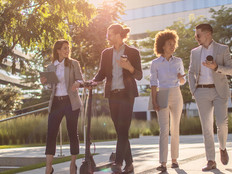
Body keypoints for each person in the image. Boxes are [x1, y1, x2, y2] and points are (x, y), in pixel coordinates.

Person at [92, 24, 142, 174]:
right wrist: (92, 82)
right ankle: (130, 164)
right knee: (120, 131)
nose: (108, 37)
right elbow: (101, 73)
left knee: (123, 129)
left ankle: (118, 163)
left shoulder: (133, 52)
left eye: (110, 34)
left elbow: (139, 75)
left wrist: (129, 67)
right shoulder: (106, 53)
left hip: (127, 95)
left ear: (119, 35)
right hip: (112, 95)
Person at [188, 23, 232, 171]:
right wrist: (194, 90)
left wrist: (216, 68)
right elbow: (191, 72)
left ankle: (223, 147)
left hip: (220, 91)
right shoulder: (194, 52)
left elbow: (231, 70)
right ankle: (211, 160)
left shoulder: (223, 49)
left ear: (208, 34)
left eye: (198, 34)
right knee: (206, 127)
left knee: (222, 124)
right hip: (201, 92)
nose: (196, 37)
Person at [40, 39, 83, 174]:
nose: (67, 50)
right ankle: (48, 166)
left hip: (71, 102)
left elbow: (80, 79)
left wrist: (78, 84)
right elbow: (51, 87)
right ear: (57, 50)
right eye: (64, 48)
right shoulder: (50, 67)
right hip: (56, 103)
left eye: (68, 48)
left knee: (72, 133)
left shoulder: (73, 64)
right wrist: (45, 82)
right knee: (51, 133)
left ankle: (72, 163)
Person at [150, 29, 186, 172]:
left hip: (177, 94)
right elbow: (153, 83)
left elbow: (183, 81)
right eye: (169, 44)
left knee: (175, 128)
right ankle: (163, 162)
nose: (172, 46)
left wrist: (181, 78)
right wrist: (154, 101)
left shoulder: (178, 61)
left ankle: (174, 160)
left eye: (173, 43)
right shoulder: (155, 63)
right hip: (163, 93)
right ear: (162, 46)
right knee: (164, 129)